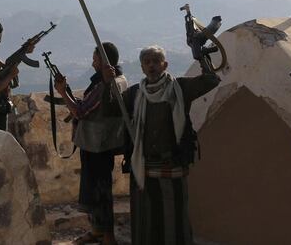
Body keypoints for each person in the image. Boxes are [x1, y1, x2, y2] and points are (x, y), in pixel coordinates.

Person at [104, 45, 219, 245]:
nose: (152, 66)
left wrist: (201, 56)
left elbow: (211, 80)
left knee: (173, 218)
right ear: (141, 67)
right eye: (147, 62)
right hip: (144, 167)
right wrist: (107, 83)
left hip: (172, 166)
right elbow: (110, 109)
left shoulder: (181, 88)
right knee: (146, 219)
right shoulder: (134, 94)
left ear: (165, 64)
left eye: (156, 61)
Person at [54, 42, 128, 245]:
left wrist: (62, 92)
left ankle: (107, 236)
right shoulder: (119, 80)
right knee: (96, 191)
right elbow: (90, 105)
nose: (93, 63)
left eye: (96, 59)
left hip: (97, 145)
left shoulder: (105, 85)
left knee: (100, 193)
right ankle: (97, 231)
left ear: (104, 62)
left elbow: (80, 111)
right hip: (101, 143)